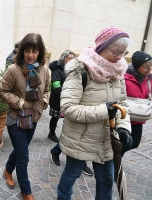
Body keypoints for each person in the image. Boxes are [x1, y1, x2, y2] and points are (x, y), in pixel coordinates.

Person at [56, 26, 133, 200]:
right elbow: (68, 108)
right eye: (116, 52)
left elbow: (122, 105)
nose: (119, 57)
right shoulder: (81, 71)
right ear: (101, 47)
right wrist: (104, 111)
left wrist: (124, 129)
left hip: (107, 139)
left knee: (106, 181)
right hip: (81, 139)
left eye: (123, 52)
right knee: (71, 176)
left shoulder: (118, 72)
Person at [0, 33, 50, 200]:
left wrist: (44, 103)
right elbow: (2, 91)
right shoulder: (13, 70)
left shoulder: (45, 70)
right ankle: (26, 191)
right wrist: (19, 103)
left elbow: (47, 90)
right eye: (27, 51)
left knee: (21, 150)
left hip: (33, 118)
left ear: (40, 52)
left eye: (34, 51)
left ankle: (7, 170)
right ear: (21, 51)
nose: (30, 55)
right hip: (16, 118)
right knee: (24, 156)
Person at [48, 50, 94, 176]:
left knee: (81, 137)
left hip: (80, 105)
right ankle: (52, 138)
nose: (71, 59)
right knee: (60, 122)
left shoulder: (83, 72)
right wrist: (68, 96)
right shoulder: (58, 69)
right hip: (62, 101)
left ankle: (81, 162)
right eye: (69, 58)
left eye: (73, 58)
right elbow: (56, 86)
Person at [122, 51, 152, 156]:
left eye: (151, 66)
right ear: (137, 66)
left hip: (139, 117)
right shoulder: (125, 79)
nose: (149, 69)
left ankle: (114, 159)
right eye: (145, 67)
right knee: (123, 143)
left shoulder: (149, 79)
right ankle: (114, 163)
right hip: (125, 118)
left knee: (134, 143)